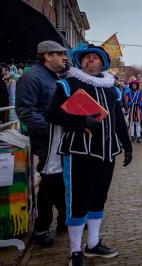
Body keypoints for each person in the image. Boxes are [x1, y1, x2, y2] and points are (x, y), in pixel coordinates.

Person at [45, 44, 133, 266]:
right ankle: (75, 251)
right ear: (80, 62)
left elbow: (119, 120)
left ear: (102, 63)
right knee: (78, 200)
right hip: (79, 152)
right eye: (86, 58)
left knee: (98, 198)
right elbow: (51, 114)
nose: (90, 61)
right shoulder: (68, 84)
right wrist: (80, 121)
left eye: (95, 58)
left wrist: (127, 145)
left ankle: (92, 244)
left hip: (108, 152)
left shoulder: (112, 88)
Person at [15, 40, 68, 246]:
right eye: (60, 54)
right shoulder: (30, 78)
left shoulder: (57, 77)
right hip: (46, 142)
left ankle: (64, 219)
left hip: (61, 140)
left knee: (62, 181)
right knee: (49, 184)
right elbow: (25, 111)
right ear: (47, 56)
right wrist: (53, 129)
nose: (65, 57)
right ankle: (41, 227)